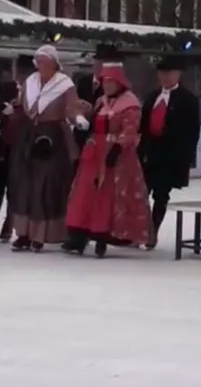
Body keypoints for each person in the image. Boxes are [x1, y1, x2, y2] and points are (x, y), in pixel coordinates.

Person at [64, 62, 153, 258]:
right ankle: (78, 235)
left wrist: (118, 148)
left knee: (106, 197)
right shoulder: (101, 102)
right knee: (84, 194)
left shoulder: (130, 104)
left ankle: (102, 236)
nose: (106, 86)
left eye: (110, 82)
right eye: (105, 82)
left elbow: (130, 130)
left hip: (114, 155)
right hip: (94, 153)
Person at [7, 45, 90, 253]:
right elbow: (23, 104)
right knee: (25, 183)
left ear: (54, 63)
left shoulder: (64, 84)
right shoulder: (30, 82)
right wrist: (12, 108)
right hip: (29, 136)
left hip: (52, 137)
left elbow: (72, 107)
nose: (41, 66)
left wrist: (78, 118)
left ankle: (41, 235)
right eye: (38, 62)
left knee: (45, 185)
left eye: (45, 62)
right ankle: (23, 234)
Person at [138, 55, 201, 250]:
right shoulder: (152, 96)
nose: (165, 77)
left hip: (170, 155)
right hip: (149, 153)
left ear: (178, 74)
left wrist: (186, 156)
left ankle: (152, 231)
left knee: (161, 194)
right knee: (141, 193)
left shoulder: (188, 100)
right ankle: (139, 229)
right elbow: (143, 124)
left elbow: (193, 131)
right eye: (162, 73)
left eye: (170, 73)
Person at [0, 56, 33, 242]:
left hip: (22, 145)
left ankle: (8, 225)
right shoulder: (7, 89)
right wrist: (2, 110)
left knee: (15, 188)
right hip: (5, 143)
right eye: (21, 72)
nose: (22, 76)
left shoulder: (36, 93)